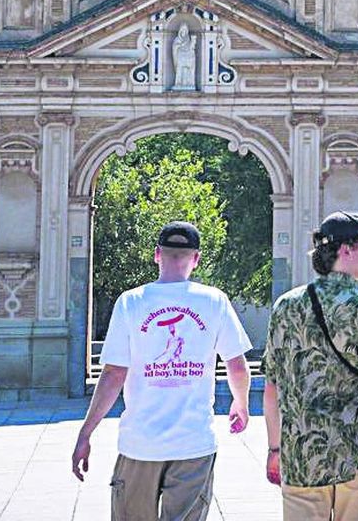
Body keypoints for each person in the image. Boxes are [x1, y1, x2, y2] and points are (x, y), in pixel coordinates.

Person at [71, 220, 253, 521]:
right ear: (196, 259)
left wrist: (86, 431)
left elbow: (114, 374)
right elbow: (236, 364)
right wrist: (241, 404)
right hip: (194, 443)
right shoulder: (214, 301)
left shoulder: (131, 302)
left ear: (157, 254)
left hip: (140, 443)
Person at [264, 211, 358, 519]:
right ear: (345, 250)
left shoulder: (287, 306)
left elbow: (272, 386)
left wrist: (275, 449)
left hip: (301, 451)